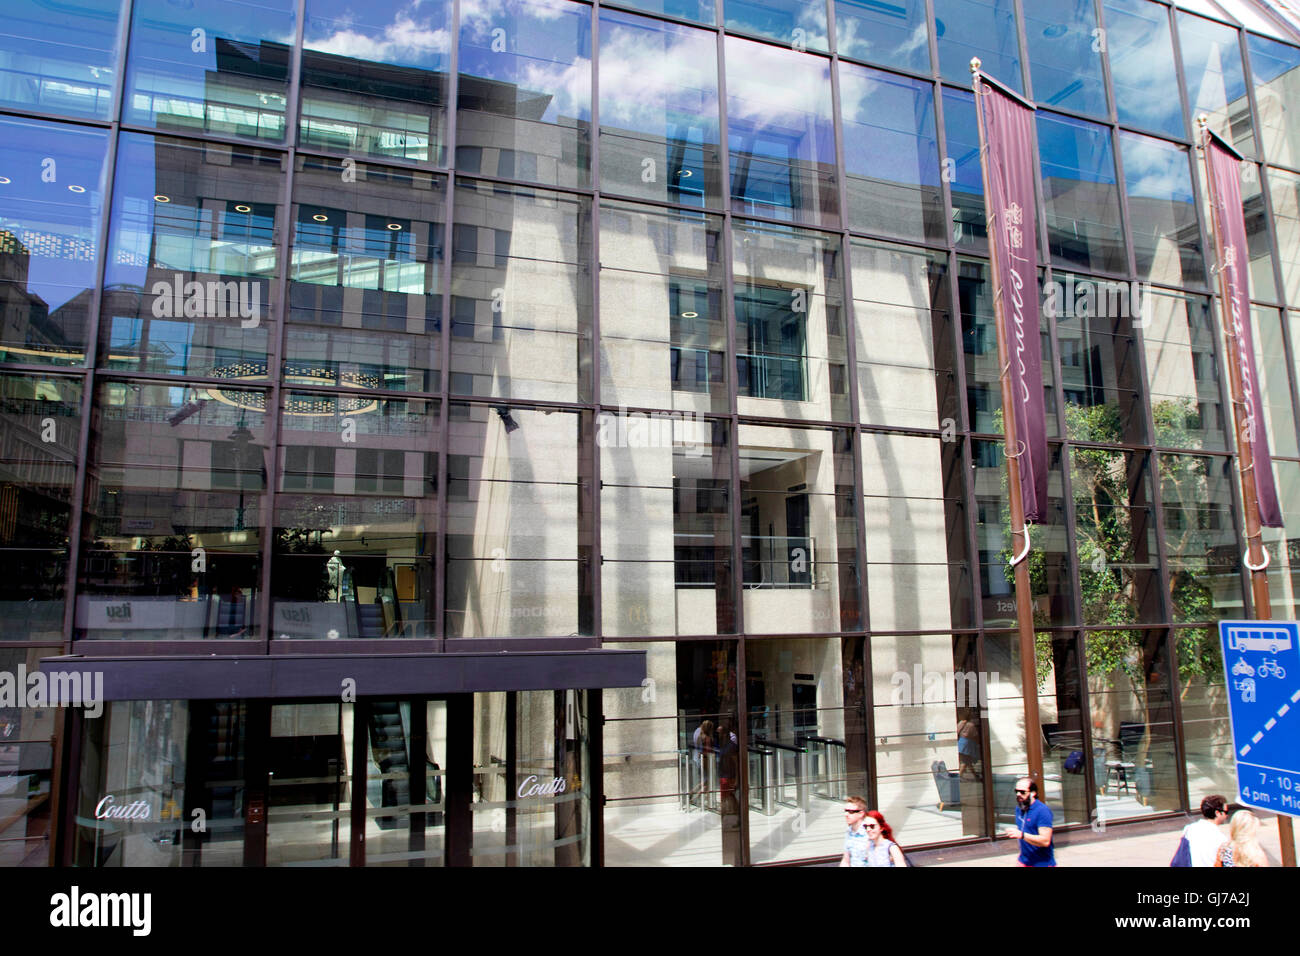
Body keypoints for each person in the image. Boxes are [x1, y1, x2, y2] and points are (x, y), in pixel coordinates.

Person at [1002, 777, 1055, 866]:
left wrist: (1021, 835)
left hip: (1042, 863)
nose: (1018, 794)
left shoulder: (1042, 811)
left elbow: (1045, 841)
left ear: (1033, 793)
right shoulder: (1019, 808)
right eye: (1016, 791)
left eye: (1022, 792)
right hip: (1023, 861)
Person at [1174, 794, 1227, 867]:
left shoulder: (1189, 829)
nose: (1227, 815)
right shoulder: (1221, 839)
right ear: (1217, 813)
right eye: (1226, 812)